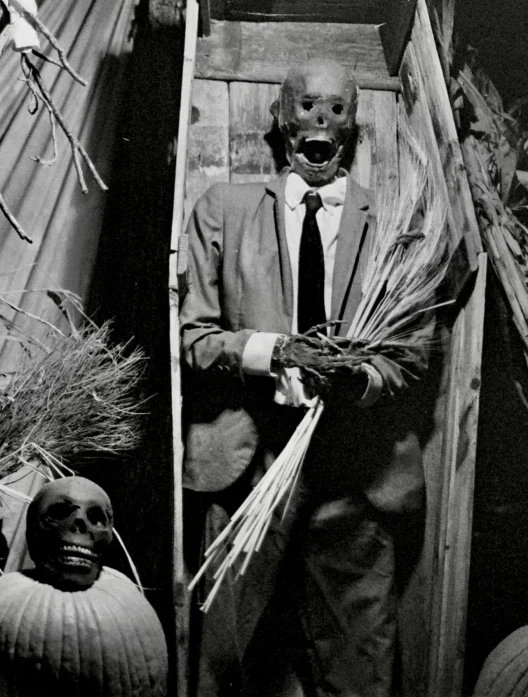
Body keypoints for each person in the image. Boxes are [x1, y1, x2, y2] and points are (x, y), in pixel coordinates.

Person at [179, 59, 428, 697]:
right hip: (249, 472)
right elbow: (194, 339)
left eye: (336, 109)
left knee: (361, 674)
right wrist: (278, 352)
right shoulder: (224, 210)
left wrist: (360, 379)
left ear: (354, 128)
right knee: (228, 670)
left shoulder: (394, 222)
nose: (321, 121)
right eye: (307, 106)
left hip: (355, 478)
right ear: (280, 120)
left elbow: (413, 351)